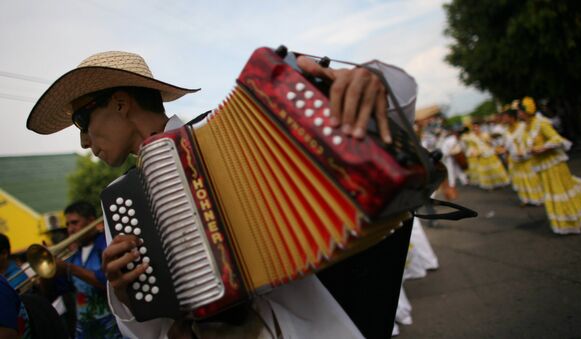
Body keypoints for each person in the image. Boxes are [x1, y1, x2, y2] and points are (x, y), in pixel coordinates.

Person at [26, 49, 418, 338]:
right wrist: (128, 299)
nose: (81, 141)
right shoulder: (118, 200)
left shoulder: (236, 128)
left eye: (82, 120)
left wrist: (369, 80)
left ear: (121, 102)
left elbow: (397, 99)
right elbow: (149, 332)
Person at [518, 97, 581, 234]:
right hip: (542, 166)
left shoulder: (541, 123)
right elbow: (528, 147)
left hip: (554, 165)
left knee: (561, 192)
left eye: (519, 111)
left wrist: (543, 147)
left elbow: (558, 140)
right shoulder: (525, 127)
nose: (518, 114)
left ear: (525, 112)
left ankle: (573, 221)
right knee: (551, 195)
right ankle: (563, 224)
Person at [58, 201, 122, 338]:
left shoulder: (106, 244)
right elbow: (61, 290)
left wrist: (69, 268)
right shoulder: (74, 254)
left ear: (91, 221)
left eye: (75, 223)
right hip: (85, 330)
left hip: (112, 327)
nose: (70, 229)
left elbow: (107, 282)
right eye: (68, 225)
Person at [502, 109, 544, 206]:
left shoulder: (523, 127)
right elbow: (506, 146)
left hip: (527, 158)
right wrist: (506, 155)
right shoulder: (506, 131)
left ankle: (538, 198)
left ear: (511, 117)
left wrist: (525, 150)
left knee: (532, 179)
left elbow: (530, 140)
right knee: (520, 180)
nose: (503, 119)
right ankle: (525, 199)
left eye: (505, 117)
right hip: (515, 159)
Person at [461, 122, 510, 190]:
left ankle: (500, 183)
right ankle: (489, 185)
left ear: (479, 128)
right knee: (485, 171)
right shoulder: (471, 137)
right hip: (481, 154)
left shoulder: (485, 134)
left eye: (477, 127)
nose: (475, 129)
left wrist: (491, 144)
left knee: (495, 169)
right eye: (474, 128)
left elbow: (491, 143)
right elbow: (471, 146)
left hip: (489, 153)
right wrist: (474, 153)